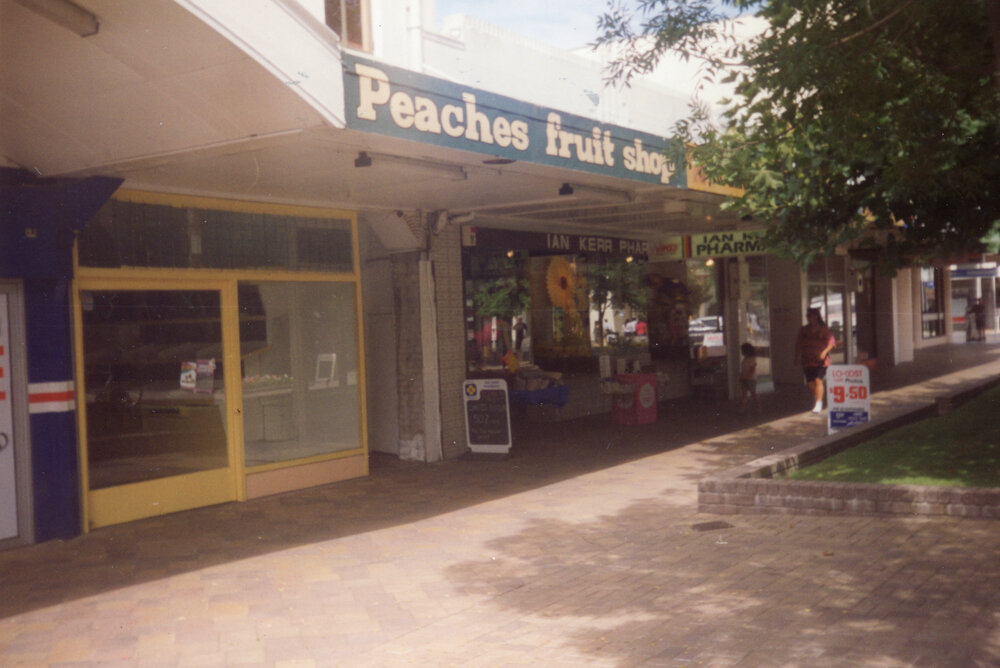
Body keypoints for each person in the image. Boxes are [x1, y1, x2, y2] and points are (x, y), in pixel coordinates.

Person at [794, 307, 836, 414]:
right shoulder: (804, 330)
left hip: (820, 360)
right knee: (810, 383)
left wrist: (824, 353)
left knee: (818, 380)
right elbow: (799, 344)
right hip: (807, 360)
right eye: (807, 316)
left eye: (811, 316)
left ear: (816, 317)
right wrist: (797, 357)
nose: (809, 318)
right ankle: (817, 396)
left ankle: (818, 403)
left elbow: (832, 343)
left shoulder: (824, 329)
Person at [739, 342, 760, 414]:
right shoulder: (745, 358)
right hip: (744, 378)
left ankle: (758, 407)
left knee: (753, 393)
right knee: (744, 394)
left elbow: (752, 370)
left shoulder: (752, 359)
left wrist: (746, 376)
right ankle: (742, 409)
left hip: (750, 379)